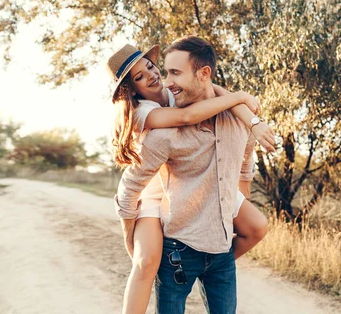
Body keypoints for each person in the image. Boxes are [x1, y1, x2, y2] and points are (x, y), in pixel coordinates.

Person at [113, 36, 270, 313]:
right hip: (153, 186)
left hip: (194, 176)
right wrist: (129, 235)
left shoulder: (175, 91)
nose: (153, 75)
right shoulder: (143, 111)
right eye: (140, 76)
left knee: (257, 226)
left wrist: (251, 120)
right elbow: (187, 118)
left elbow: (218, 94)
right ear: (132, 89)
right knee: (146, 261)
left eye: (151, 66)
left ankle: (206, 267)